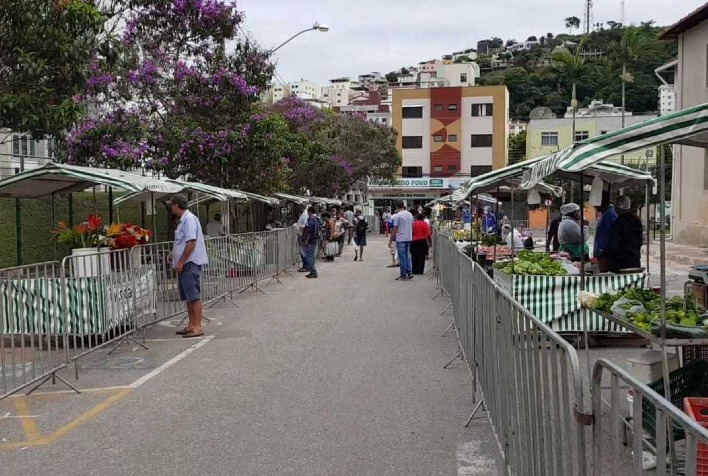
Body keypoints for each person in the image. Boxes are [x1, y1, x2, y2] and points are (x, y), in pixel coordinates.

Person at [169, 194, 209, 338]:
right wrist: (173, 253)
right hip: (185, 262)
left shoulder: (188, 219)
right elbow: (182, 241)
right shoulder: (183, 220)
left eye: (172, 205)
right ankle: (191, 324)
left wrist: (181, 261)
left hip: (190, 263)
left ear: (176, 205)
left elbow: (191, 242)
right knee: (188, 296)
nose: (171, 208)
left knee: (193, 296)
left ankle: (197, 326)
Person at [604, 196, 643, 273]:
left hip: (620, 262)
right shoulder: (637, 221)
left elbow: (613, 246)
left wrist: (606, 252)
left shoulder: (618, 223)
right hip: (635, 260)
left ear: (617, 208)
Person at [389, 201, 414, 280]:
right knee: (407, 255)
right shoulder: (409, 214)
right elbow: (412, 226)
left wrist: (391, 240)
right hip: (408, 237)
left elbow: (395, 228)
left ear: (397, 206)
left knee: (402, 256)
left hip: (401, 238)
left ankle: (403, 274)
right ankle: (409, 271)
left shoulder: (397, 216)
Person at [593, 197, 618, 272]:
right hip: (602, 252)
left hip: (605, 253)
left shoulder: (609, 215)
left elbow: (613, 234)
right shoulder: (606, 214)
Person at [301, 206, 319, 278]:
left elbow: (310, 230)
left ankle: (313, 271)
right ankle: (312, 270)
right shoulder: (316, 218)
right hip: (314, 239)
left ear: (310, 212)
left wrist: (306, 240)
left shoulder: (311, 219)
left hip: (310, 240)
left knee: (309, 256)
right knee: (311, 255)